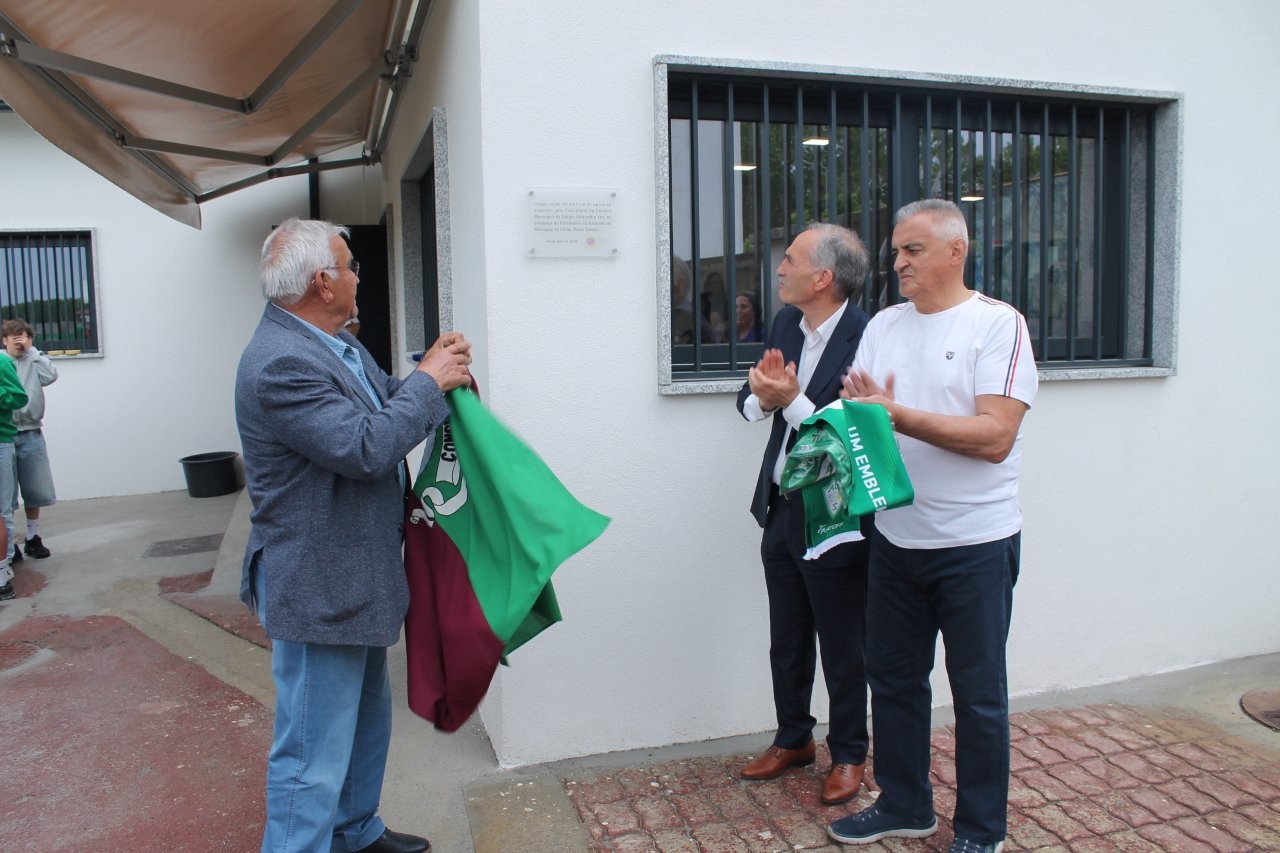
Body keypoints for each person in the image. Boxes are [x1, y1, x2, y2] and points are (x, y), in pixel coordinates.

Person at [235, 217, 472, 853]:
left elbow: (385, 400)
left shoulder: (333, 341)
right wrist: (427, 383)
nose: (357, 277)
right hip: (318, 580)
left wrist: (432, 379)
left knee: (366, 720)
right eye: (350, 266)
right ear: (322, 281)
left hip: (355, 572)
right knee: (310, 753)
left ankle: (355, 831)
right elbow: (363, 446)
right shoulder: (281, 363)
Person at [826, 199, 1037, 853]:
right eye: (895, 251)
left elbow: (996, 435)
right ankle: (906, 803)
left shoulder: (997, 326)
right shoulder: (885, 324)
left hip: (975, 544)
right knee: (891, 679)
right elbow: (863, 415)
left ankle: (980, 829)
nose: (898, 263)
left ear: (956, 251)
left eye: (912, 250)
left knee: (977, 695)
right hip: (896, 539)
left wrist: (894, 414)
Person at [735, 222, 873, 806]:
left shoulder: (870, 338)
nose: (779, 269)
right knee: (786, 636)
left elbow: (845, 434)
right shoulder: (787, 324)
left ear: (823, 277)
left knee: (843, 643)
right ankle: (793, 737)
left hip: (834, 514)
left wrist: (788, 400)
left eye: (789, 260)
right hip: (781, 506)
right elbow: (748, 402)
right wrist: (760, 400)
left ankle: (849, 753)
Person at [2, 319, 59, 561]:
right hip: (4, 434)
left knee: (35, 488)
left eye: (22, 335)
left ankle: (33, 538)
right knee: (6, 494)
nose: (18, 340)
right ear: (4, 339)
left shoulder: (34, 361)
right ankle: (10, 544)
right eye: (12, 336)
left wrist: (33, 352)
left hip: (32, 431)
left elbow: (51, 376)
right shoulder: (2, 363)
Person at [0, 352, 28, 601]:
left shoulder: (2, 362)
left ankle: (5, 563)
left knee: (2, 509)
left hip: (1, 441)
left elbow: (19, 397)